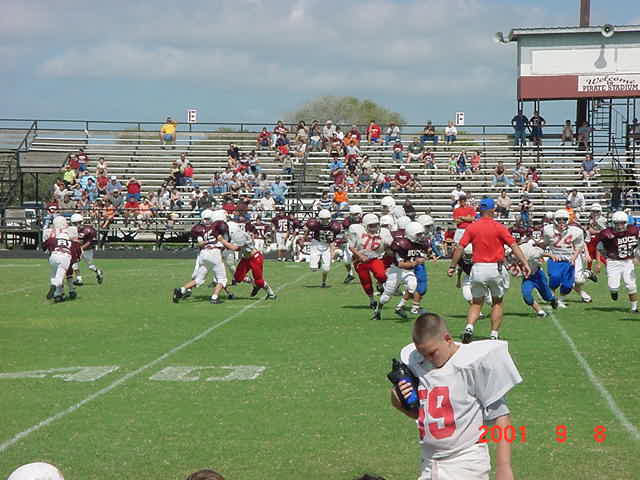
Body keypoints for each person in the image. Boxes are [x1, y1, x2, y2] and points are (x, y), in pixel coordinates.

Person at [391, 313, 521, 480]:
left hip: (465, 464)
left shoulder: (473, 363)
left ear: (447, 339)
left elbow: (501, 417)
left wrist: (504, 466)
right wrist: (397, 398)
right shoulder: (420, 364)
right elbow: (423, 415)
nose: (428, 359)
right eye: (423, 354)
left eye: (432, 353)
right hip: (429, 463)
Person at [448, 198, 531, 343]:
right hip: (495, 268)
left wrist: (452, 266)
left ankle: (469, 327)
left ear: (480, 210)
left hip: (478, 268)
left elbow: (460, 247)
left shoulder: (472, 227)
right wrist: (525, 263)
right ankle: (493, 334)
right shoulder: (499, 227)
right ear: (493, 210)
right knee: (497, 302)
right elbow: (513, 246)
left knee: (476, 303)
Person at [172, 210, 232, 304]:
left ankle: (181, 289)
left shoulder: (202, 229)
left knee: (199, 279)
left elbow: (200, 242)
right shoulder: (219, 227)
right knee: (222, 279)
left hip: (203, 254)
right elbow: (225, 239)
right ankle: (214, 297)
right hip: (214, 252)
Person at [372, 222, 426, 320]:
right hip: (396, 271)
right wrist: (416, 262)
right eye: (418, 234)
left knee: (413, 286)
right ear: (411, 234)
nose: (421, 236)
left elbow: (418, 255)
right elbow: (401, 264)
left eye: (421, 234)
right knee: (387, 296)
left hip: (409, 271)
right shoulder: (402, 244)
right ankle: (377, 311)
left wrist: (423, 257)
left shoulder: (418, 244)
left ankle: (399, 307)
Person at [596, 211, 640, 313]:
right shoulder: (607, 234)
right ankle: (613, 292)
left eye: (622, 223)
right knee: (613, 287)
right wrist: (599, 262)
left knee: (631, 285)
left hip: (628, 261)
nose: (619, 226)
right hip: (613, 262)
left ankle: (634, 308)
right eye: (617, 223)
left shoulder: (633, 230)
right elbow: (599, 248)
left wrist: (637, 255)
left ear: (626, 222)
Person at [542, 209, 586, 308]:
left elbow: (579, 246)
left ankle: (560, 300)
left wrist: (574, 258)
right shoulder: (548, 230)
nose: (562, 222)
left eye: (564, 219)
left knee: (567, 285)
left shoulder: (576, 231)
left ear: (568, 220)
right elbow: (545, 243)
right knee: (555, 278)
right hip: (555, 259)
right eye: (559, 219)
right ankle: (552, 297)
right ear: (555, 220)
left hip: (568, 260)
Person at [350, 213, 393, 309]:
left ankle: (380, 284)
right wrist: (360, 256)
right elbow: (351, 247)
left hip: (375, 258)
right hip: (359, 260)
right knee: (365, 280)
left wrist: (389, 247)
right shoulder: (357, 231)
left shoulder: (384, 232)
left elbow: (389, 247)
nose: (374, 228)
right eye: (371, 225)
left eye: (375, 225)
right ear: (365, 225)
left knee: (381, 275)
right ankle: (372, 300)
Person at [224, 228, 276, 299]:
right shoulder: (240, 235)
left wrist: (222, 241)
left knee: (259, 281)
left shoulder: (241, 237)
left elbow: (235, 248)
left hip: (255, 258)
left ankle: (271, 293)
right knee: (237, 277)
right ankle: (254, 284)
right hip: (246, 258)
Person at [305, 209, 342, 287]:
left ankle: (323, 282)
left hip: (326, 246)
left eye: (326, 219)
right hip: (316, 244)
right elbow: (307, 228)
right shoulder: (315, 224)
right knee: (313, 268)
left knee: (326, 269)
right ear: (319, 219)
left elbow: (332, 241)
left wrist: (332, 253)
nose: (325, 221)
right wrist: (305, 235)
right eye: (323, 219)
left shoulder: (334, 226)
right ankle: (318, 262)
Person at [70, 213, 103, 285]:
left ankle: (98, 272)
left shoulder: (88, 230)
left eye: (78, 222)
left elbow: (89, 242)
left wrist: (81, 248)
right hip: (77, 250)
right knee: (74, 264)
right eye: (75, 223)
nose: (77, 225)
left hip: (87, 250)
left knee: (90, 266)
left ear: (81, 222)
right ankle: (79, 279)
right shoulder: (72, 230)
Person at [341, 205, 363, 283]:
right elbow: (345, 233)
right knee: (346, 261)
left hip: (361, 243)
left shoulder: (364, 220)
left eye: (357, 214)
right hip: (351, 242)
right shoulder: (347, 222)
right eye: (353, 214)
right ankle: (350, 274)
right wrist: (346, 238)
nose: (355, 216)